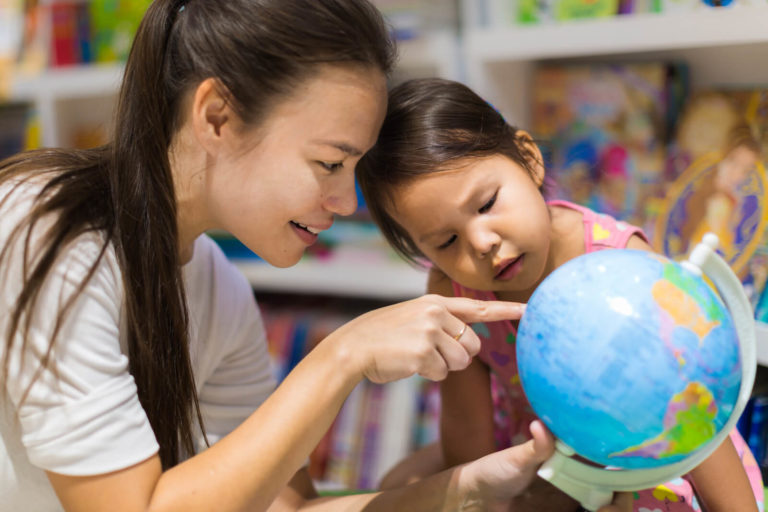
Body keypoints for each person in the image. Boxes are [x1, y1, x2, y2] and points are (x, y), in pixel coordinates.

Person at [0, 1, 636, 511]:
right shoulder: (47, 231)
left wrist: (468, 489)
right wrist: (341, 356)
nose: (346, 201)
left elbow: (285, 510)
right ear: (217, 117)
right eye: (330, 163)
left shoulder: (218, 286)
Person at [356, 77, 765, 512]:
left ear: (530, 160)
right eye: (445, 242)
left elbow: (693, 415)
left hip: (652, 447)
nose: (480, 243)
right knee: (400, 483)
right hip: (541, 452)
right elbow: (467, 448)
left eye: (486, 203)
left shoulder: (619, 260)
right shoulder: (451, 288)